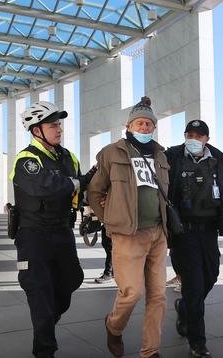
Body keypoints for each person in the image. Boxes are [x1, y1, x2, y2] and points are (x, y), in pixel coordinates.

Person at [10, 101, 96, 358]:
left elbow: (80, 191)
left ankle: (47, 321)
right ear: (37, 130)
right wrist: (78, 182)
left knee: (72, 280)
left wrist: (90, 203)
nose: (59, 129)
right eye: (52, 124)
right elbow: (47, 187)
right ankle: (44, 349)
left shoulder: (70, 157)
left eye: (59, 124)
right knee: (39, 291)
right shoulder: (27, 159)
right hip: (33, 235)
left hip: (62, 231)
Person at [165, 119, 223, 358]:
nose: (194, 139)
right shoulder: (172, 157)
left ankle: (184, 307)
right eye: (189, 134)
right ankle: (198, 343)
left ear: (207, 138)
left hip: (208, 231)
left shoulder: (219, 160)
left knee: (211, 276)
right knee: (194, 285)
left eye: (199, 135)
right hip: (182, 233)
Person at [87, 96, 169, 358]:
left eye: (149, 124)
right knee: (132, 292)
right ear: (129, 125)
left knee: (158, 296)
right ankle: (114, 326)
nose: (145, 128)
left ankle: (151, 351)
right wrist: (109, 218)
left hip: (158, 233)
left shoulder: (161, 155)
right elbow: (95, 190)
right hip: (127, 235)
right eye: (140, 123)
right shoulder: (112, 152)